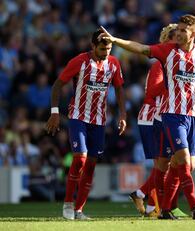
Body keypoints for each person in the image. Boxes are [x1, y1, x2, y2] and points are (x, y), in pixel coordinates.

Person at [99, 14, 195, 220]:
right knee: (180, 160)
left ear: (194, 34)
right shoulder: (167, 51)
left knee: (185, 165)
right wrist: (116, 40)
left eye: (183, 31)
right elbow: (141, 47)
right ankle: (194, 206)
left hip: (192, 116)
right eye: (178, 30)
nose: (178, 34)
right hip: (171, 115)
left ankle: (163, 209)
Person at [46, 29, 127, 220]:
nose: (106, 52)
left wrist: (123, 115)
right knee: (80, 158)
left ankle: (79, 210)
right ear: (93, 46)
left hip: (99, 121)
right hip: (78, 117)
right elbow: (58, 84)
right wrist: (55, 112)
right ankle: (67, 203)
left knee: (90, 164)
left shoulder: (114, 63)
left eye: (108, 48)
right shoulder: (79, 62)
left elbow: (119, 89)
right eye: (102, 48)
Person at [130, 23, 187, 218]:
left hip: (164, 116)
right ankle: (153, 203)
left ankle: (150, 200)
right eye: (175, 37)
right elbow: (152, 92)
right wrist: (173, 80)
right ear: (167, 40)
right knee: (163, 164)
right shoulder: (160, 64)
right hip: (151, 116)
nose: (179, 41)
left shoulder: (178, 61)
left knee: (168, 164)